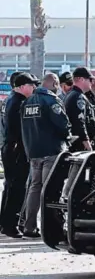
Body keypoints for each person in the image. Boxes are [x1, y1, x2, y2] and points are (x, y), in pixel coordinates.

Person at [20, 73, 71, 238]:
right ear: (55, 83)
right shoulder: (52, 100)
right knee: (51, 190)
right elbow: (63, 125)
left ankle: (29, 226)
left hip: (33, 152)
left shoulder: (27, 102)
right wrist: (68, 136)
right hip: (51, 151)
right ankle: (52, 229)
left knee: (34, 188)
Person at [0, 73, 38, 238]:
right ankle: (10, 225)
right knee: (17, 188)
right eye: (31, 85)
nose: (34, 88)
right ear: (22, 86)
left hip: (11, 148)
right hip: (16, 149)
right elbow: (16, 130)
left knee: (10, 187)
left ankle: (5, 222)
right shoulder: (18, 102)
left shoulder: (11, 99)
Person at [64, 67, 95, 152]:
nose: (92, 82)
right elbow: (79, 122)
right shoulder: (78, 97)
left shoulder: (70, 95)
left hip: (74, 143)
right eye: (90, 79)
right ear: (81, 79)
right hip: (79, 145)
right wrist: (87, 144)